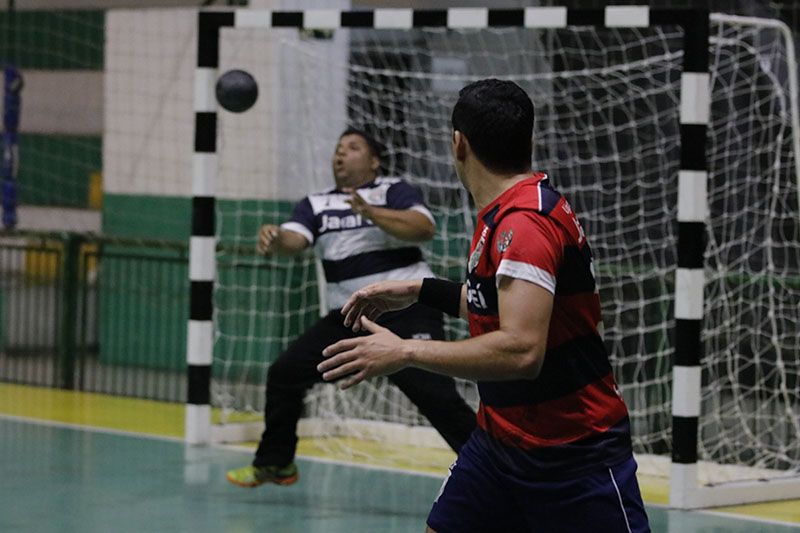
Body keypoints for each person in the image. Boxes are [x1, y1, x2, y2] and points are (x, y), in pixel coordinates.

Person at [318, 80, 650, 532]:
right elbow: (499, 307)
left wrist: (404, 351)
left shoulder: (524, 224)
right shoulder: (510, 208)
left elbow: (521, 350)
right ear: (528, 143)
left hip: (571, 452)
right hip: (499, 443)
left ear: (458, 144)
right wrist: (420, 290)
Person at [225, 127, 477, 488]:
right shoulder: (315, 204)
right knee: (284, 374)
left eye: (353, 147)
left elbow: (423, 228)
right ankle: (276, 463)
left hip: (406, 312)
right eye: (338, 148)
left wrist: (370, 211)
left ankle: (495, 474)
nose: (341, 153)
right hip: (349, 317)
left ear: (374, 161)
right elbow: (295, 240)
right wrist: (276, 238)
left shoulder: (392, 190)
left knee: (437, 397)